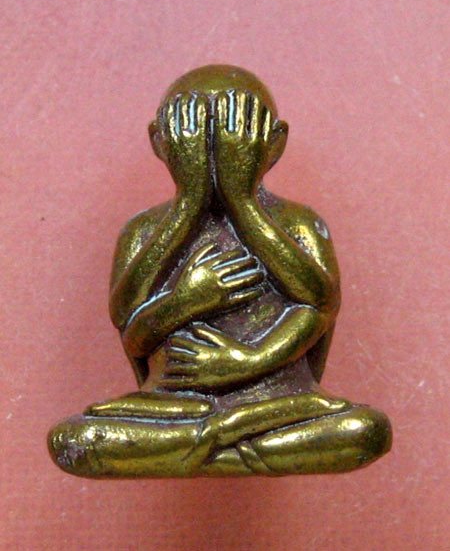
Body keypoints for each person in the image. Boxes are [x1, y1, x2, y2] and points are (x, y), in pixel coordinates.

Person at [48, 65, 392, 477]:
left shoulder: (299, 223)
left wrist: (241, 200)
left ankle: (203, 444)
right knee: (75, 441)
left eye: (234, 131)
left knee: (365, 431)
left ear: (275, 142)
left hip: (277, 400)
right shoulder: (143, 231)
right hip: (174, 406)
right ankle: (229, 441)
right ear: (160, 141)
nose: (213, 150)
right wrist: (185, 283)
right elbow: (133, 334)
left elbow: (319, 305)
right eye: (194, 133)